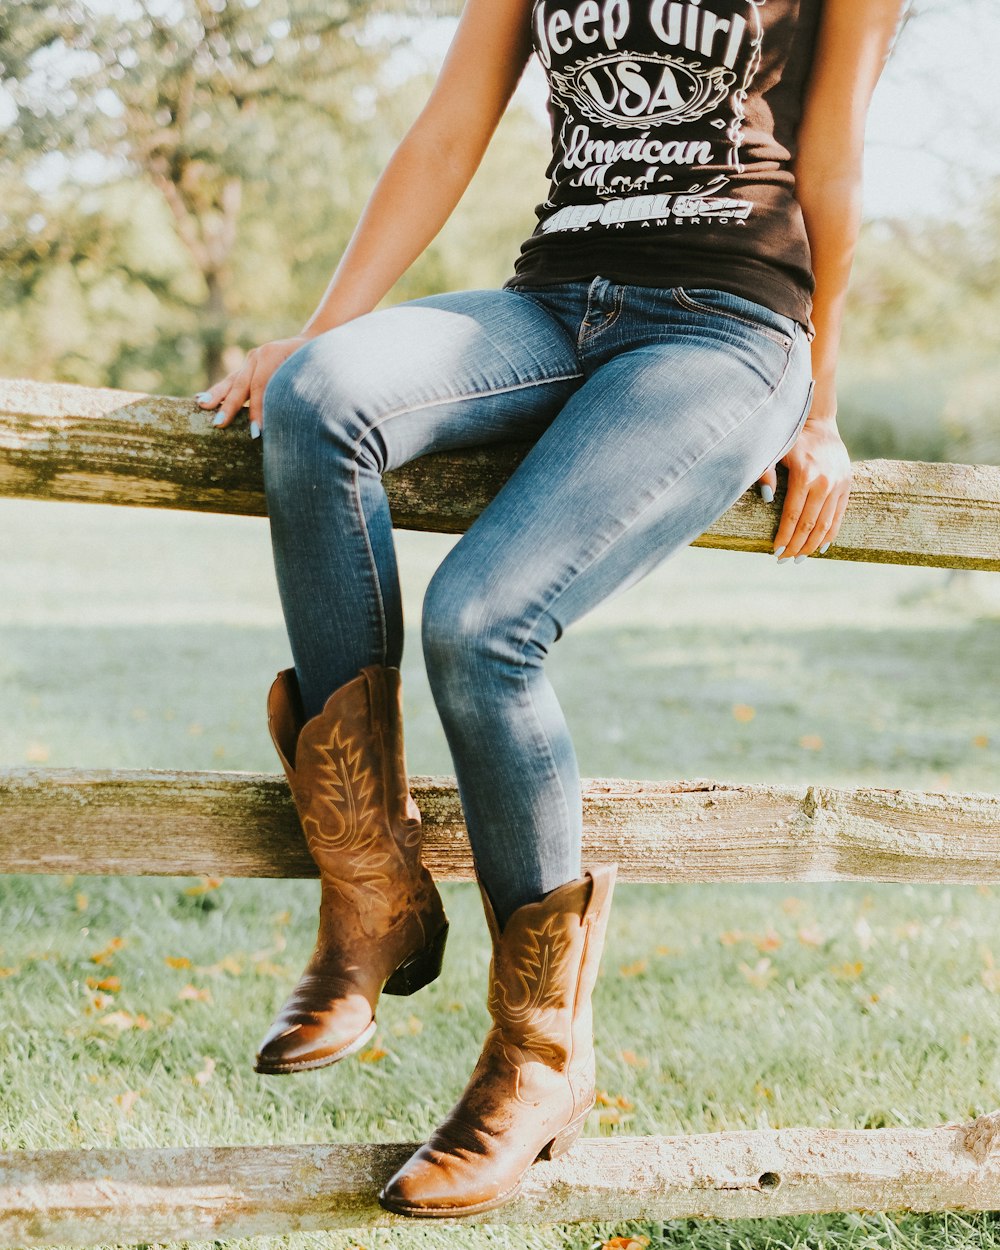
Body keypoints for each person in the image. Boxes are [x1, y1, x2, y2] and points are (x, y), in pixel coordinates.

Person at [196, 0, 904, 1218]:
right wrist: (318, 328)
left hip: (726, 327)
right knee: (322, 395)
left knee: (482, 623)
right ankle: (369, 891)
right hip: (551, 297)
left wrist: (821, 399)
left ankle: (539, 1054)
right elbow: (448, 126)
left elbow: (833, 151)